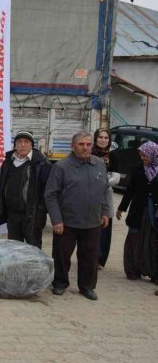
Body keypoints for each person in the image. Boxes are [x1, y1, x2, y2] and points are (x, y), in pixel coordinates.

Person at [45, 130, 109, 300]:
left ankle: (87, 286)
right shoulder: (61, 167)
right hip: (67, 222)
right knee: (61, 256)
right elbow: (51, 195)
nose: (85, 148)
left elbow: (105, 189)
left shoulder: (99, 164)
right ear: (72, 146)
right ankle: (59, 283)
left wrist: (106, 211)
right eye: (81, 144)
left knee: (89, 257)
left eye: (88, 144)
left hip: (93, 221)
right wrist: (56, 220)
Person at [0, 130, 51, 248]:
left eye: (26, 141)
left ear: (32, 145)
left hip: (32, 216)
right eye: (19, 141)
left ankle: (36, 267)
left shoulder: (41, 164)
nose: (23, 144)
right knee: (14, 248)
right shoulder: (8, 161)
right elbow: (1, 185)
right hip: (12, 215)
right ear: (15, 144)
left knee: (33, 249)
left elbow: (47, 191)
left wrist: (40, 211)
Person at [116, 141, 158, 283]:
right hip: (138, 211)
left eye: (146, 155)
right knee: (134, 239)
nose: (143, 158)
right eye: (141, 155)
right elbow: (130, 191)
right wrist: (121, 207)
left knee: (152, 241)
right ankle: (133, 270)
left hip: (154, 213)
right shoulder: (137, 169)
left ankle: (154, 272)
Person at [93, 128, 120, 269]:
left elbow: (116, 178)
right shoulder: (89, 152)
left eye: (106, 138)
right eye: (100, 137)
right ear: (95, 138)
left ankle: (100, 259)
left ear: (109, 140)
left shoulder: (113, 155)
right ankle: (89, 256)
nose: (103, 140)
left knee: (105, 227)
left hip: (106, 194)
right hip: (89, 194)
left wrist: (102, 182)